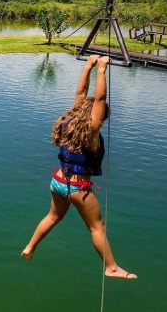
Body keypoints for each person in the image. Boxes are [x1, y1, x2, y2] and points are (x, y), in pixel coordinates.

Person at [21, 55, 137, 280]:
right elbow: (99, 97)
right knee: (97, 228)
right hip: (77, 187)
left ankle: (30, 247)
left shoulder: (69, 122)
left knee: (53, 217)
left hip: (57, 181)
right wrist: (101, 70)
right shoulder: (91, 133)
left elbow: (81, 95)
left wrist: (88, 66)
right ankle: (111, 267)